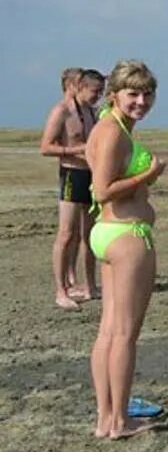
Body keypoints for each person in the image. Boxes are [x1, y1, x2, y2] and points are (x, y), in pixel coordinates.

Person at [85, 61, 163, 439]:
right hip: (126, 236)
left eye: (147, 94)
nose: (141, 101)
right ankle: (118, 421)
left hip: (107, 233)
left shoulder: (110, 128)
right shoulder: (112, 133)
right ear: (114, 94)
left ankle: (106, 418)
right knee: (124, 335)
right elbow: (102, 190)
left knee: (108, 332)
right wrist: (148, 175)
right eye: (133, 93)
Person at [41, 67, 103, 309]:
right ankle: (61, 290)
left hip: (91, 175)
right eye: (94, 91)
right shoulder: (61, 111)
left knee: (90, 234)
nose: (97, 96)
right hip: (71, 174)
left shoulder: (91, 111)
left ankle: (90, 286)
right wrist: (76, 150)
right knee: (66, 234)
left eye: (100, 92)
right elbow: (45, 147)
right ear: (79, 87)